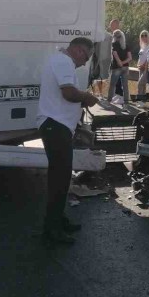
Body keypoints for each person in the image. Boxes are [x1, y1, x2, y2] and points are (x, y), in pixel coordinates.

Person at [37, 38, 99, 245]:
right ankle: (51, 230)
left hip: (56, 125)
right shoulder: (63, 62)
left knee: (61, 178)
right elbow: (69, 93)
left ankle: (57, 219)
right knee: (60, 179)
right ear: (79, 50)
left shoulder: (60, 60)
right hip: (55, 125)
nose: (85, 62)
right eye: (86, 57)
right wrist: (87, 97)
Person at [92, 19, 118, 97]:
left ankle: (101, 93)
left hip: (105, 59)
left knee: (102, 77)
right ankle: (94, 92)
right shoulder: (95, 35)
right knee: (94, 76)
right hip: (95, 58)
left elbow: (113, 47)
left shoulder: (109, 36)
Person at [108, 30, 132, 103]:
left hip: (116, 67)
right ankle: (126, 102)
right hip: (125, 68)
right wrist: (123, 62)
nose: (117, 38)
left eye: (117, 36)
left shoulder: (113, 44)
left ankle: (108, 101)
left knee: (112, 85)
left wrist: (120, 62)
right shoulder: (126, 45)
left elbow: (115, 55)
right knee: (125, 86)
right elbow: (130, 58)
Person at [137, 31, 149, 96]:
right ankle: (142, 100)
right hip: (141, 68)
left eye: (145, 35)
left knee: (140, 84)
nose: (144, 37)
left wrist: (144, 65)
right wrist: (138, 64)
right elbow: (140, 56)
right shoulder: (142, 45)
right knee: (143, 86)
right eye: (142, 36)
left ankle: (139, 98)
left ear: (148, 36)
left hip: (147, 68)